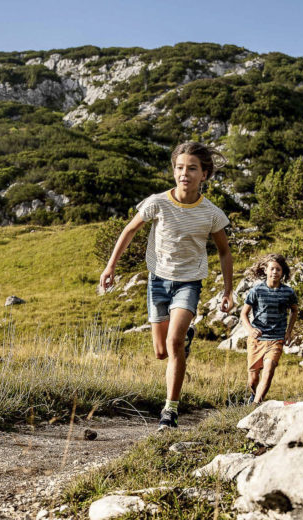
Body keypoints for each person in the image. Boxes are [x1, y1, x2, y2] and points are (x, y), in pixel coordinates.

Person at [99, 141, 233, 431]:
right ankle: (184, 338)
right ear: (174, 171)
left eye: (192, 168)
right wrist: (111, 266)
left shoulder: (211, 213)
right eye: (180, 167)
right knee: (162, 351)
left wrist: (227, 290)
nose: (185, 173)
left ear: (205, 175)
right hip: (158, 281)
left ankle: (169, 412)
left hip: (189, 283)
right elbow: (129, 229)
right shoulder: (157, 202)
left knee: (173, 343)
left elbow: (224, 251)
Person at [240, 254, 298, 404]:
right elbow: (243, 314)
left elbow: (294, 310)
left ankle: (255, 405)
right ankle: (254, 394)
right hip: (257, 339)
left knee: (268, 371)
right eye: (272, 269)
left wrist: (288, 332)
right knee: (253, 379)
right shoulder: (256, 291)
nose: (275, 272)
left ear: (283, 273)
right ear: (265, 270)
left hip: (276, 338)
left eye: (278, 269)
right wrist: (250, 329)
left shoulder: (288, 292)